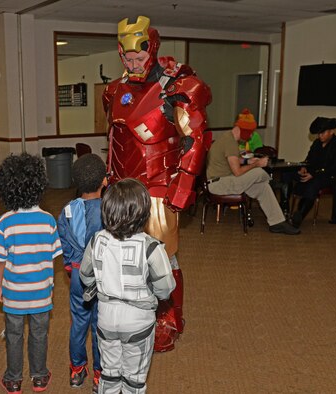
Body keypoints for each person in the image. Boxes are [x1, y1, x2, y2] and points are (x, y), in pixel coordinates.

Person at [103, 15, 212, 352]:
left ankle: (170, 317)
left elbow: (196, 139)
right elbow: (113, 138)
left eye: (138, 56)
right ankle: (132, 312)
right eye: (127, 57)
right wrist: (108, 179)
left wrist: (183, 187)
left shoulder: (176, 87)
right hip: (122, 189)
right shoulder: (114, 89)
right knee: (123, 256)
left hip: (159, 187)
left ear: (151, 48)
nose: (133, 63)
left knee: (164, 259)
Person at [79, 178, 175, 394]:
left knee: (109, 373)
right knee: (134, 379)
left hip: (106, 319)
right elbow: (166, 289)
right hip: (138, 322)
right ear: (144, 212)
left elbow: (85, 276)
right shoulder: (152, 247)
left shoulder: (97, 240)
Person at [0, 153, 62, 394]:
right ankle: (39, 377)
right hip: (41, 292)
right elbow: (51, 256)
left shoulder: (5, 222)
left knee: (13, 335)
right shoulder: (48, 220)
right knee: (40, 334)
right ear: (40, 184)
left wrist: (1, 285)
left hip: (14, 293)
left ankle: (13, 380)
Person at [57, 154, 107, 392]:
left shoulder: (66, 210)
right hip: (104, 277)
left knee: (79, 322)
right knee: (100, 325)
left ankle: (77, 370)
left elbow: (65, 246)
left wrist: (70, 268)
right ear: (104, 181)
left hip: (77, 275)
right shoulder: (110, 209)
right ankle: (100, 374)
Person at [206, 109, 300, 235]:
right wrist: (256, 164)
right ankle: (273, 183)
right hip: (219, 184)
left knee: (263, 187)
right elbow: (238, 172)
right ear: (244, 130)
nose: (250, 136)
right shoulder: (229, 142)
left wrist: (248, 161)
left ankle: (277, 222)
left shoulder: (228, 138)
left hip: (225, 180)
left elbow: (235, 160)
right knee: (258, 171)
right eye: (250, 133)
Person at [287, 117, 336, 227]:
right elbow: (309, 159)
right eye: (319, 134)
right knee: (288, 174)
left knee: (313, 184)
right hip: (314, 174)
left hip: (332, 177)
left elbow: (335, 167)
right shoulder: (316, 143)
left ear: (331, 131)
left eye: (323, 133)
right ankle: (285, 209)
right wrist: (304, 167)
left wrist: (314, 174)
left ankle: (300, 214)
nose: (320, 136)